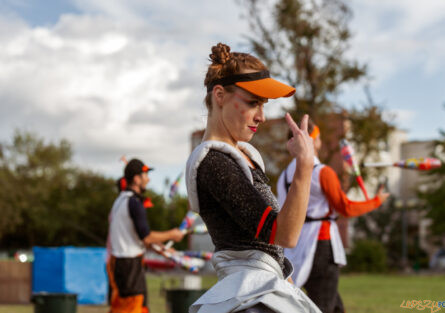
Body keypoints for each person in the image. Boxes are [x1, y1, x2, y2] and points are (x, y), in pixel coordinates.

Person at [185, 43, 321, 313]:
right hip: (246, 295)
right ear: (220, 95)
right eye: (252, 103)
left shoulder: (242, 156)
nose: (261, 116)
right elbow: (283, 235)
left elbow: (273, 248)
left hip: (261, 287)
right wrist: (304, 166)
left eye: (263, 105)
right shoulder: (214, 163)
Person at [276, 122, 390, 313]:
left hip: (294, 245)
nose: (320, 141)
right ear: (312, 141)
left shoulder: (284, 176)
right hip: (320, 243)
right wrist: (376, 201)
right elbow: (345, 208)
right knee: (324, 304)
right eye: (318, 137)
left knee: (333, 303)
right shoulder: (322, 172)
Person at [106, 158, 184, 313]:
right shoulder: (134, 203)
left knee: (132, 307)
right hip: (129, 266)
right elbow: (146, 237)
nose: (148, 179)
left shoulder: (120, 200)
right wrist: (173, 234)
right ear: (136, 178)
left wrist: (162, 250)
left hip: (121, 264)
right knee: (131, 308)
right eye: (145, 175)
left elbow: (135, 238)